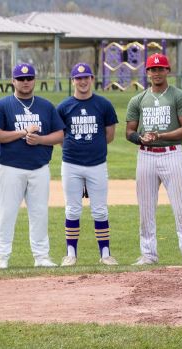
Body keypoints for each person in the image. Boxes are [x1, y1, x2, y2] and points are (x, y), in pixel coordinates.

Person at [0, 63, 65, 269]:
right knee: (7, 212)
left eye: (29, 78)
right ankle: (1, 258)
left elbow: (60, 135)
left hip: (39, 168)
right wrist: (22, 133)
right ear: (13, 81)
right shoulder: (3, 105)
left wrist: (40, 140)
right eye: (20, 79)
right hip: (10, 168)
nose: (25, 82)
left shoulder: (46, 106)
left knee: (40, 213)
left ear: (34, 80)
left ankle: (41, 257)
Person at [125, 53, 182, 266]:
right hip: (146, 156)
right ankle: (148, 254)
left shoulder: (178, 96)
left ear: (167, 71)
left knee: (181, 206)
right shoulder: (137, 99)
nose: (156, 72)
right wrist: (140, 137)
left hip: (172, 154)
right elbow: (129, 131)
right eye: (152, 69)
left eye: (160, 69)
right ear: (147, 72)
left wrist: (161, 136)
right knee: (146, 208)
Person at [56, 63, 119, 267]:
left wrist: (93, 146)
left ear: (92, 79)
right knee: (72, 209)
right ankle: (71, 254)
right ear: (73, 81)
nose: (82, 82)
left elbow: (109, 135)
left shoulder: (103, 104)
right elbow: (59, 136)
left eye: (86, 77)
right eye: (78, 78)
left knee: (100, 210)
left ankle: (106, 254)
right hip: (71, 164)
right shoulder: (64, 106)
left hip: (96, 164)